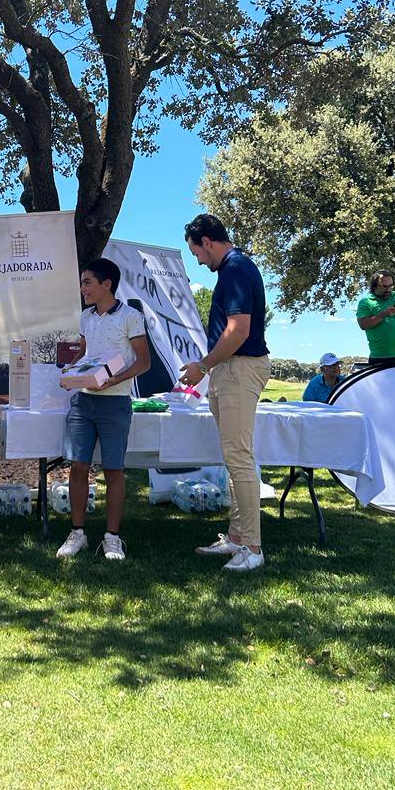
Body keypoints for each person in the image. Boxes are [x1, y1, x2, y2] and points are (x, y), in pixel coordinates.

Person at [180, 214, 271, 573]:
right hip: (230, 368)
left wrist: (202, 365)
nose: (199, 261)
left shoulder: (235, 268)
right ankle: (237, 537)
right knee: (234, 459)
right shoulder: (235, 268)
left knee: (240, 459)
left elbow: (237, 332)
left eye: (197, 252)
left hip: (239, 367)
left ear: (207, 240)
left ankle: (252, 546)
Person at [56, 258, 151, 562]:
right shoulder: (85, 316)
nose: (82, 288)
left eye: (87, 282)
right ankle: (77, 533)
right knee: (79, 467)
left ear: (106, 284)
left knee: (113, 470)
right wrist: (71, 372)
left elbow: (143, 362)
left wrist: (111, 380)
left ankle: (112, 538)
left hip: (115, 404)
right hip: (83, 402)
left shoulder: (131, 317)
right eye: (82, 282)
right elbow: (85, 353)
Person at [356, 270, 395, 364]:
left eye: (391, 285)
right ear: (375, 285)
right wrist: (383, 314)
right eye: (384, 286)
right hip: (379, 357)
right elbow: (363, 324)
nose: (388, 289)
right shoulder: (365, 302)